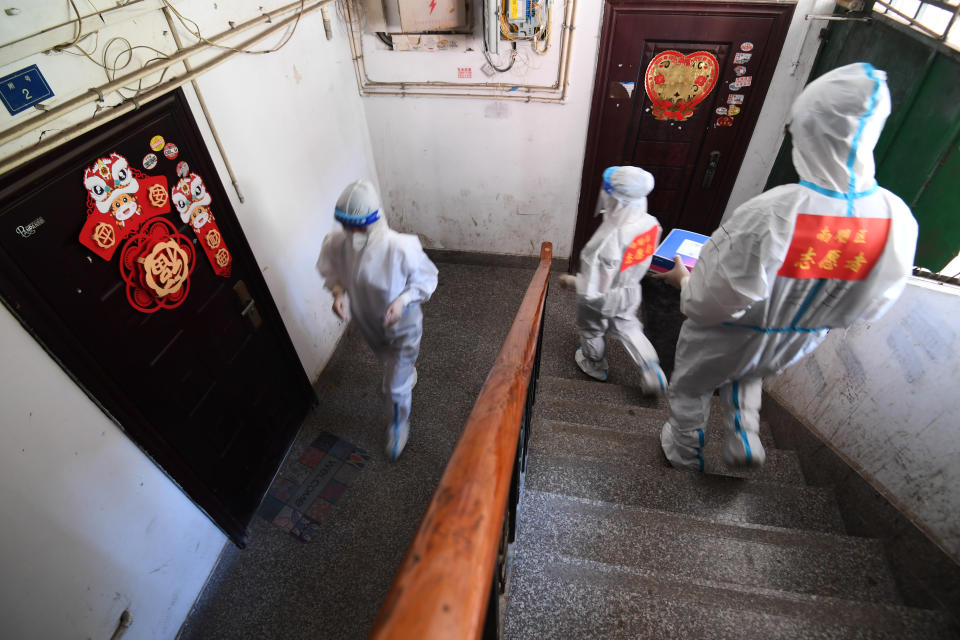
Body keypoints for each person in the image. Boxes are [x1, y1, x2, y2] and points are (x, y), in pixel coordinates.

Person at [655, 63, 917, 471]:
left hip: (725, 333)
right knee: (750, 374)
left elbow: (710, 303)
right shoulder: (894, 215)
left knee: (692, 386)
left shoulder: (776, 211)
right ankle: (744, 435)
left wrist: (684, 280)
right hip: (799, 339)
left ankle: (684, 451)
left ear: (809, 132)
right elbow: (872, 306)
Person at [317, 179, 438, 461]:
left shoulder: (401, 247)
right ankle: (405, 372)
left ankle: (398, 423)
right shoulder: (338, 243)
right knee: (389, 361)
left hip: (403, 325)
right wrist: (337, 293)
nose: (348, 231)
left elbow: (427, 279)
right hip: (369, 322)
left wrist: (402, 300)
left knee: (393, 386)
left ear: (371, 221)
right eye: (344, 224)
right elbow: (332, 272)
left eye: (354, 225)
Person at [569, 165, 668, 395]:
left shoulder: (608, 241)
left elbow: (594, 289)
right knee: (629, 326)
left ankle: (594, 364)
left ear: (615, 199)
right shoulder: (651, 223)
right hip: (631, 290)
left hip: (604, 297)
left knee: (591, 329)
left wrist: (574, 284)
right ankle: (652, 371)